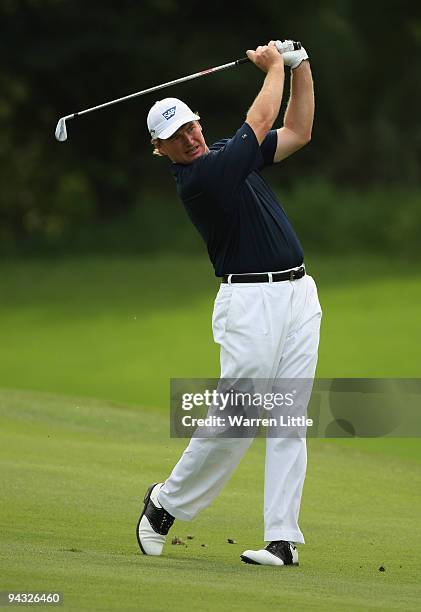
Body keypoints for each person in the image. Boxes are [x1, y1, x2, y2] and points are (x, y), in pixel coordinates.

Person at [136, 40, 322, 566]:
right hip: (249, 302)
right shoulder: (199, 179)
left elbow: (298, 131)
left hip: (298, 294)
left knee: (290, 417)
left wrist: (300, 64)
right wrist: (272, 69)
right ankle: (163, 504)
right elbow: (262, 118)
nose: (190, 138)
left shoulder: (221, 152)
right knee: (238, 416)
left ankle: (282, 539)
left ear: (198, 121)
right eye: (176, 137)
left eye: (191, 126)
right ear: (161, 150)